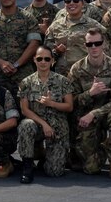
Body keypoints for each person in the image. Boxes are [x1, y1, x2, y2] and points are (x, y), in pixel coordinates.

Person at [67, 30, 111, 178]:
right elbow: (71, 102)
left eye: (97, 43)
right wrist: (90, 93)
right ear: (85, 46)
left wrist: (94, 113)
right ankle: (102, 147)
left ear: (104, 44)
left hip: (106, 114)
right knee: (91, 169)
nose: (94, 47)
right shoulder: (77, 69)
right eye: (90, 44)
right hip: (85, 120)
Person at [16, 46, 75, 179]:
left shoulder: (62, 81)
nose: (43, 62)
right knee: (26, 125)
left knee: (54, 172)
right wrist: (43, 124)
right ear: (34, 60)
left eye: (47, 59)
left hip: (57, 127)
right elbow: (25, 110)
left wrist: (51, 103)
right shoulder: (26, 82)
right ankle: (27, 166)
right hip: (37, 125)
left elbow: (69, 107)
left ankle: (45, 159)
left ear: (52, 61)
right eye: (40, 59)